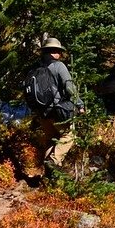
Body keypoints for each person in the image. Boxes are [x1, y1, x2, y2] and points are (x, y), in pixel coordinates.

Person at [32, 37, 84, 171]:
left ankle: (49, 175)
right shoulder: (59, 66)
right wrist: (80, 104)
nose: (60, 54)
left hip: (42, 111)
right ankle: (54, 161)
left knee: (50, 139)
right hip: (57, 110)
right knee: (69, 136)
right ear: (54, 52)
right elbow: (69, 86)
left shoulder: (38, 67)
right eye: (58, 51)